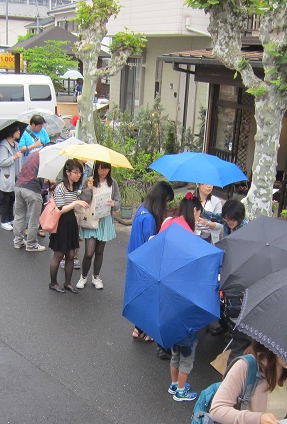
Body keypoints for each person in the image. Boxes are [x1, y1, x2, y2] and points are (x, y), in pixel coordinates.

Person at [159, 192, 204, 402]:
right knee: (187, 357)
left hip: (171, 308)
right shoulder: (188, 236)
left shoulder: (171, 224)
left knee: (175, 353)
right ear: (195, 211)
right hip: (186, 315)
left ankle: (173, 384)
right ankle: (181, 390)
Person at [127, 181, 174, 341]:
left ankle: (137, 329)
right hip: (145, 263)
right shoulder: (149, 218)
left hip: (134, 258)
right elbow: (151, 243)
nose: (166, 204)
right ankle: (145, 331)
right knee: (149, 297)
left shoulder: (141, 210)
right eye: (166, 201)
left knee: (141, 296)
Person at [76, 161, 120, 289]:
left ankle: (96, 276)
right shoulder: (89, 180)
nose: (104, 171)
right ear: (96, 168)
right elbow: (84, 200)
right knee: (89, 252)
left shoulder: (113, 182)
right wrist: (88, 189)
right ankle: (83, 277)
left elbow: (117, 201)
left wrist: (113, 204)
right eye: (101, 168)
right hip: (91, 219)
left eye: (106, 169)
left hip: (105, 220)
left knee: (99, 251)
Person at [48, 158, 89, 293]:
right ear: (67, 172)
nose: (78, 175)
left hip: (71, 222)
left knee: (71, 254)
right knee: (59, 255)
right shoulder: (60, 187)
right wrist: (76, 203)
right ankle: (53, 283)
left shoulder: (75, 187)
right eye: (75, 172)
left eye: (80, 173)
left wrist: (80, 205)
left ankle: (68, 283)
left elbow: (73, 207)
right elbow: (60, 209)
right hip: (61, 223)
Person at [209, 199, 248, 338]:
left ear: (239, 217)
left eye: (231, 220)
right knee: (220, 297)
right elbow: (213, 216)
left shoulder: (246, 230)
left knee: (234, 301)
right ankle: (224, 325)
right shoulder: (227, 225)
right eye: (227, 219)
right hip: (225, 264)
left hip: (238, 269)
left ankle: (234, 332)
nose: (228, 222)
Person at [12, 150, 46, 252]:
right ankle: (31, 244)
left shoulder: (34, 153)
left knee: (19, 216)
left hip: (19, 185)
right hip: (32, 189)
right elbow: (43, 178)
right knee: (34, 218)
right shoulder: (46, 157)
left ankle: (18, 241)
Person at [0, 125, 23, 231]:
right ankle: (4, 221)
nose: (19, 132)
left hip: (15, 176)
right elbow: (1, 162)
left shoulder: (17, 145)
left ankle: (10, 218)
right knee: (5, 199)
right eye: (17, 130)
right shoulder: (3, 146)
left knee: (12, 199)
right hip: (6, 177)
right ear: (12, 132)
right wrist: (14, 157)